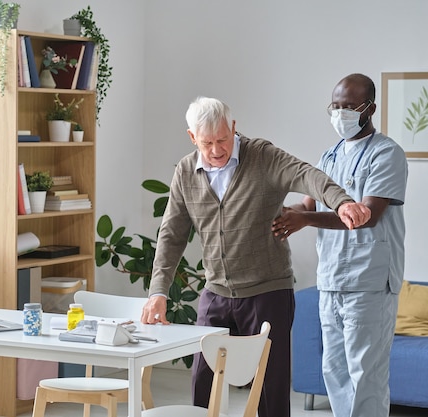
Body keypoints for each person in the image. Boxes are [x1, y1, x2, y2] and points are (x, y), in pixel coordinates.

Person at [140, 96, 371, 417]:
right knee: (203, 382)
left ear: (233, 128)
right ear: (192, 138)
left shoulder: (262, 156)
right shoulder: (185, 172)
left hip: (268, 293)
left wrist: (342, 202)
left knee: (270, 388)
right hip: (215, 293)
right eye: (207, 143)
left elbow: (308, 175)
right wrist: (158, 291)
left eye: (223, 139)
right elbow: (171, 236)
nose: (217, 149)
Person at [272, 73, 408, 417]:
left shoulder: (387, 154)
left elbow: (368, 216)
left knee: (366, 375)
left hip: (370, 280)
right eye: (336, 106)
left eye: (349, 107)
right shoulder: (328, 156)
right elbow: (308, 206)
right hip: (331, 278)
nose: (341, 113)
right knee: (335, 370)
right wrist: (281, 212)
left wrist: (304, 221)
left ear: (369, 108)